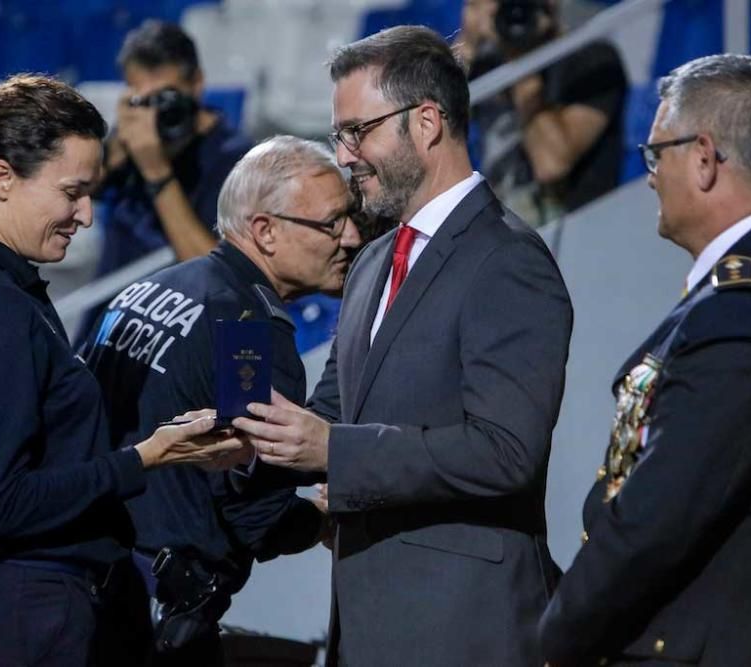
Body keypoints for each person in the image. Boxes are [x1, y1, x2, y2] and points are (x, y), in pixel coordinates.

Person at [231, 25, 574, 666]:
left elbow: (505, 453)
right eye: (339, 135)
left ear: (426, 122)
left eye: (357, 132)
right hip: (369, 626)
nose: (344, 156)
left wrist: (335, 449)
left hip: (465, 628)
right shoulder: (372, 260)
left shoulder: (507, 260)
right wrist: (244, 442)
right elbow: (333, 413)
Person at [0, 75, 245, 667]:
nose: (86, 215)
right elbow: (4, 504)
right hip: (14, 615)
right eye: (71, 193)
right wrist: (148, 456)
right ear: (3, 180)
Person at [539, 54, 751, 666]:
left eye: (657, 155)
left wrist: (549, 642)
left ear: (704, 158)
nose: (650, 176)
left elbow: (652, 527)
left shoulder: (744, 318)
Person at [82, 135, 361, 665]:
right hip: (156, 620)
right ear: (265, 231)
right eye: (331, 224)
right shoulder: (248, 334)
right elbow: (254, 515)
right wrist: (324, 523)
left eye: (350, 218)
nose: (349, 238)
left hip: (93, 591)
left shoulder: (147, 290)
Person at [95, 19, 253, 274]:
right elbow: (80, 193)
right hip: (112, 303)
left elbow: (218, 274)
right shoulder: (131, 137)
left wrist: (156, 171)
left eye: (165, 98)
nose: (155, 114)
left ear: (197, 83)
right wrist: (111, 157)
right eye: (144, 100)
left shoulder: (237, 159)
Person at [458, 0, 627, 227]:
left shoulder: (593, 60)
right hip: (498, 232)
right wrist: (468, 46)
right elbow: (429, 124)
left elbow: (551, 165)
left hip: (575, 234)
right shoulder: (487, 64)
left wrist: (520, 62)